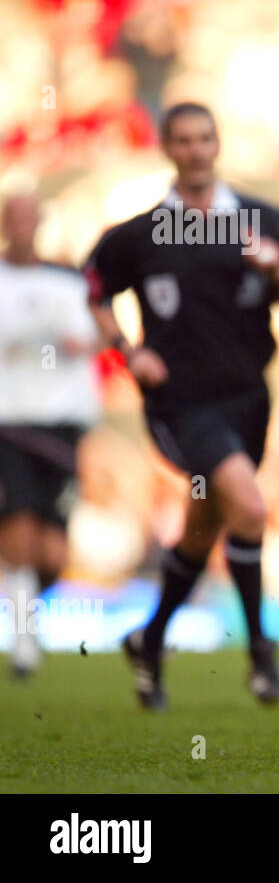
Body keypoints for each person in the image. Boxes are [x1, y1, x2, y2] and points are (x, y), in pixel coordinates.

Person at [84, 102, 279, 709]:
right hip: (181, 403)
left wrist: (276, 272)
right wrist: (129, 353)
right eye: (183, 140)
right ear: (167, 148)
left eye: (205, 138)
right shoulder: (144, 232)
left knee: (202, 527)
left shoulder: (263, 220)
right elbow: (94, 287)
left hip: (249, 397)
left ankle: (150, 641)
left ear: (218, 144)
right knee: (251, 508)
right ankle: (262, 657)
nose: (195, 149)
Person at [0, 193, 100, 678]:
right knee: (16, 525)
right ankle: (24, 645)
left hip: (61, 422)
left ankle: (26, 610)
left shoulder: (68, 280)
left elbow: (96, 334)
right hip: (8, 420)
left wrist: (87, 340)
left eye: (29, 216)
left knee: (53, 553)